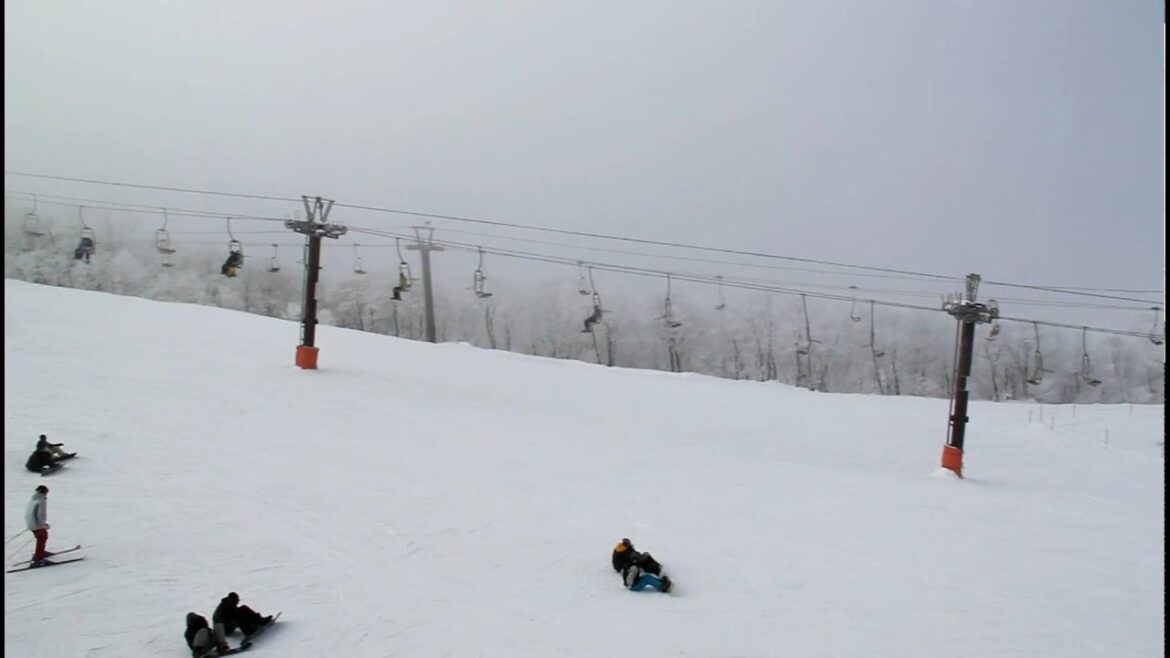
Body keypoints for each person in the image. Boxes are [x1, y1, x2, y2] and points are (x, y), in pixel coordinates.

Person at [25, 485, 51, 566]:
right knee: (43, 537)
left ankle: (40, 552)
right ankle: (39, 559)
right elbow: (40, 515)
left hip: (31, 523)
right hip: (36, 524)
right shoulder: (41, 500)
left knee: (41, 537)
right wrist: (43, 525)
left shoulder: (33, 498)